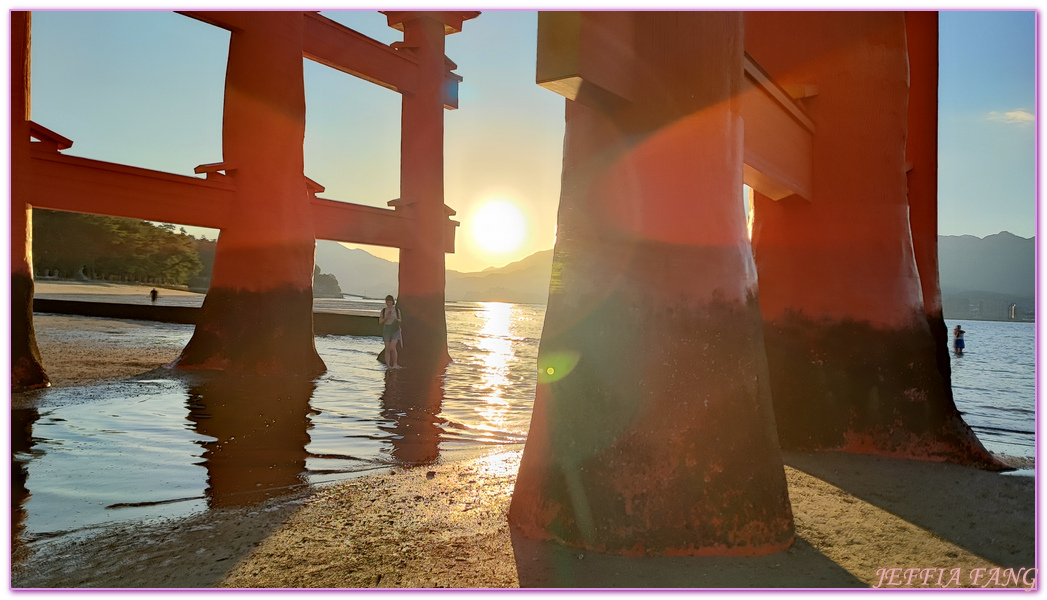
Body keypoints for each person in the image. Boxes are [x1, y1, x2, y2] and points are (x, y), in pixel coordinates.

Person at [380, 295, 402, 369]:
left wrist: (396, 319)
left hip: (395, 329)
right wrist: (386, 318)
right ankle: (388, 365)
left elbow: (400, 320)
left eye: (390, 302)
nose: (388, 303)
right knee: (387, 348)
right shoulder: (383, 311)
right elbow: (380, 321)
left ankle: (395, 364)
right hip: (387, 328)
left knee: (392, 347)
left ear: (392, 302)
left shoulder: (396, 310)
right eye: (387, 302)